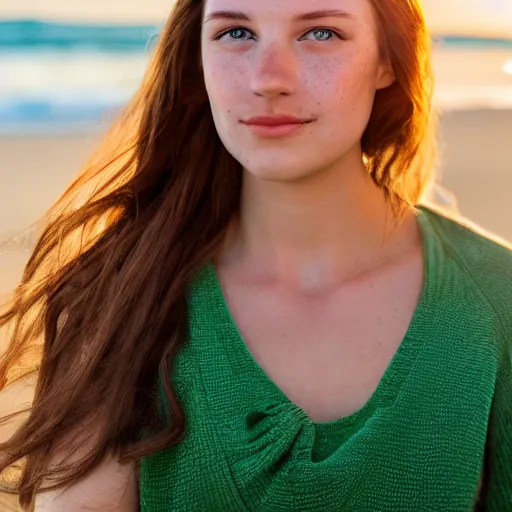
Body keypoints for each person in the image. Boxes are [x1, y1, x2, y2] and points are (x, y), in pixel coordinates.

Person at [0, 0, 510, 510]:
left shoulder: (497, 302)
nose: (269, 79)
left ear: (388, 60)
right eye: (237, 33)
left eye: (321, 34)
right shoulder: (118, 298)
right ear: (198, 58)